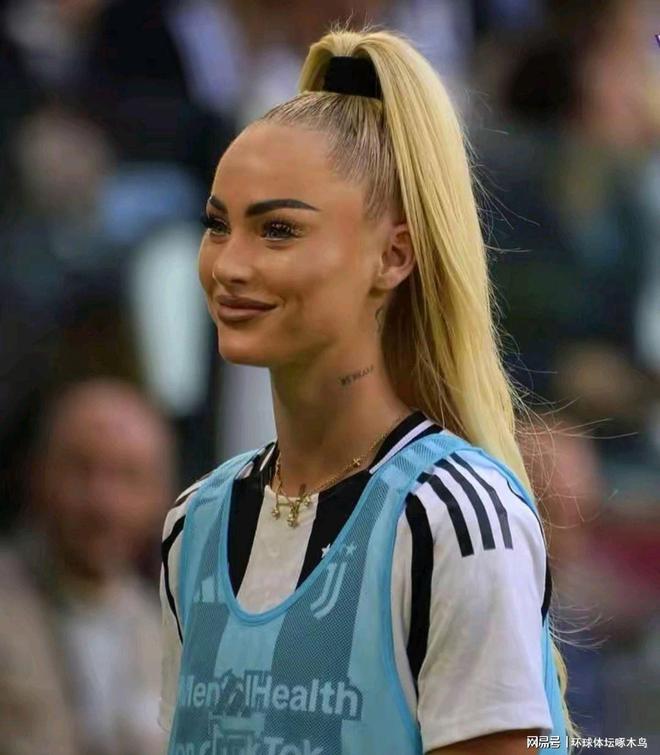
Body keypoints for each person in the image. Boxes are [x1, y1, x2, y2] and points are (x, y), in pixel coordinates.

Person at [158, 24, 575, 755]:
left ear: (393, 256)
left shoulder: (456, 520)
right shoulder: (195, 522)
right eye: (217, 225)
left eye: (278, 229)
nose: (229, 265)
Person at [0, 378, 174, 755]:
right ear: (37, 473)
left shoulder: (167, 636)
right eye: (81, 470)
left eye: (128, 476)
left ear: (160, 496)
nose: (103, 503)